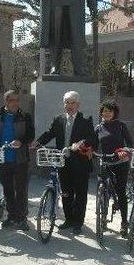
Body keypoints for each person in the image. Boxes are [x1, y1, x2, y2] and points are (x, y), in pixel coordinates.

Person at [33, 91, 97, 235]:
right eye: (66, 102)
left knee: (80, 194)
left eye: (72, 102)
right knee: (66, 193)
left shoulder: (86, 119)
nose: (69, 105)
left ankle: (78, 223)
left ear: (78, 104)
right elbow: (50, 133)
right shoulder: (59, 119)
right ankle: (68, 219)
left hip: (80, 163)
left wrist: (80, 143)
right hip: (63, 162)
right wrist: (37, 142)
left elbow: (92, 138)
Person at [22, 0, 97, 76]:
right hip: (54, 1)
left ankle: (79, 68)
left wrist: (92, 5)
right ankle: (55, 67)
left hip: (75, 2)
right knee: (55, 36)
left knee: (76, 36)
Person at [0, 90, 34, 231]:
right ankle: (11, 217)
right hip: (2, 159)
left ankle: (22, 219)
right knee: (8, 190)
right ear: (6, 102)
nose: (15, 103)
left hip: (20, 159)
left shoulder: (25, 116)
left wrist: (21, 141)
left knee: (21, 190)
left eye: (17, 100)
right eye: (12, 100)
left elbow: (30, 134)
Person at [94, 100, 133, 237]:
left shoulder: (121, 126)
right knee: (102, 188)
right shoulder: (99, 127)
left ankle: (124, 223)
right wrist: (85, 148)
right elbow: (92, 142)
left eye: (109, 111)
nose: (106, 113)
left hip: (120, 162)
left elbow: (130, 143)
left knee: (120, 191)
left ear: (114, 112)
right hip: (105, 162)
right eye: (104, 111)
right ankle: (102, 215)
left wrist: (124, 150)